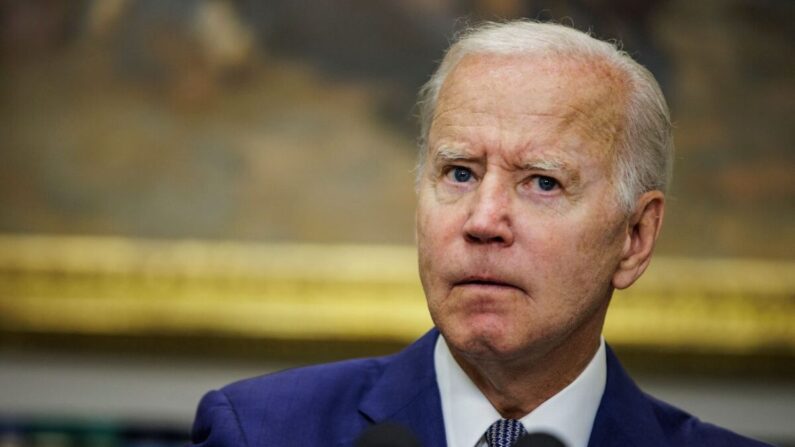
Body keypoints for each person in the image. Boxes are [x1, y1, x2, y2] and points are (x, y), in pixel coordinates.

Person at [189, 21, 770, 447]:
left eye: (542, 182)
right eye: (460, 173)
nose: (483, 220)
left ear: (636, 238)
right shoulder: (260, 431)